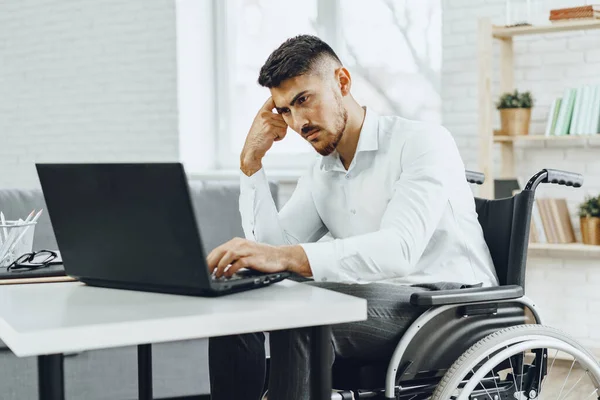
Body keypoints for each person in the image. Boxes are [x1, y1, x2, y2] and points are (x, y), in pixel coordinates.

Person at [206, 34, 498, 400]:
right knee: (239, 298)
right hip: (376, 301)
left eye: (303, 100)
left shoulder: (422, 141)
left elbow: (398, 250)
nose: (298, 122)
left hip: (450, 307)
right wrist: (251, 163)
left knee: (302, 316)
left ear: (342, 82)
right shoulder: (321, 171)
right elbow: (274, 251)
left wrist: (283, 257)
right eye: (285, 110)